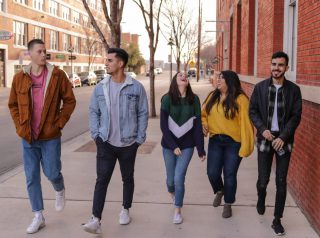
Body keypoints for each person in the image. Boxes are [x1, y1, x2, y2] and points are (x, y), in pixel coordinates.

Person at [8, 39, 76, 234]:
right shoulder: (20, 78)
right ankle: (38, 215)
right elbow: (13, 104)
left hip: (50, 136)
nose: (43, 54)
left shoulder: (57, 75)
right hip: (28, 137)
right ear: (30, 54)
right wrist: (20, 126)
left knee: (52, 172)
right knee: (31, 177)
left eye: (45, 51)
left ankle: (59, 188)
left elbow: (70, 101)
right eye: (39, 51)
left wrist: (59, 123)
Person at [83, 48, 149, 234]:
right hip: (105, 143)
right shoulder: (100, 87)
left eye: (110, 60)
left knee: (127, 178)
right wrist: (96, 135)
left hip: (129, 144)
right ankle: (96, 219)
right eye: (107, 60)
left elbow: (143, 112)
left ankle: (125, 209)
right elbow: (94, 111)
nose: (106, 63)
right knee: (102, 179)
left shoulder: (136, 87)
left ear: (120, 63)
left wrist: (139, 138)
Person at [249, 51, 302, 236]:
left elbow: (296, 116)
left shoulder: (294, 90)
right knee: (263, 180)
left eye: (280, 65)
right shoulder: (260, 88)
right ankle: (261, 196)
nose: (276, 68)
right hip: (265, 138)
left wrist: (283, 137)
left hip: (283, 140)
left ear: (286, 68)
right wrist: (262, 129)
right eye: (273, 64)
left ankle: (277, 220)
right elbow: (253, 111)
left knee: (281, 181)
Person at [201, 70, 254, 218]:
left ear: (229, 81)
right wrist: (204, 124)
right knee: (212, 172)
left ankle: (228, 203)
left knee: (230, 174)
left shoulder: (241, 99)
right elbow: (203, 114)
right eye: (217, 78)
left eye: (221, 78)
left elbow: (246, 124)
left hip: (234, 143)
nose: (217, 80)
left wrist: (246, 146)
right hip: (215, 140)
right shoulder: (212, 96)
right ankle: (219, 190)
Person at [160, 72, 206, 224]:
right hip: (168, 146)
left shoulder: (194, 100)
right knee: (170, 181)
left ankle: (177, 209)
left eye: (185, 75)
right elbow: (163, 127)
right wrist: (173, 146)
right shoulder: (167, 99)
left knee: (179, 178)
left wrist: (200, 149)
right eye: (180, 74)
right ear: (175, 80)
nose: (184, 76)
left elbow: (198, 125)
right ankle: (173, 193)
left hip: (187, 146)